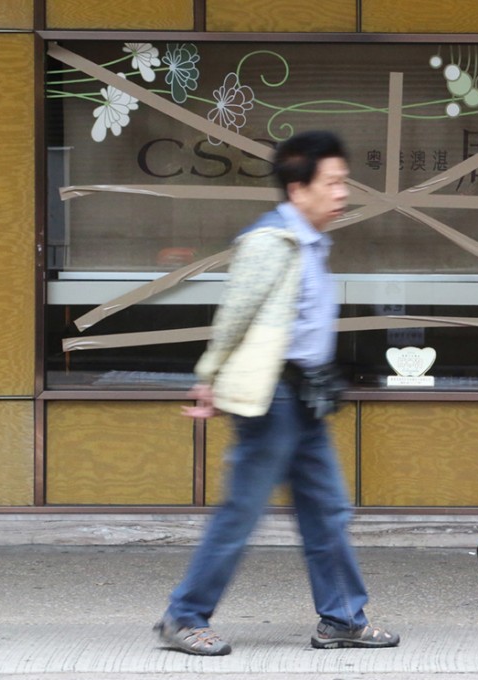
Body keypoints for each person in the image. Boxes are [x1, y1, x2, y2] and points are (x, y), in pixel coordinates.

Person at [154, 130, 399, 656]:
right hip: (272, 400)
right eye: (332, 183)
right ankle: (183, 616)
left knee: (326, 510)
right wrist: (209, 375)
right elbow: (234, 315)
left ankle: (341, 619)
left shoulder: (311, 242)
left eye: (343, 182)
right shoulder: (270, 243)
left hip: (303, 398)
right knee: (242, 511)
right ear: (296, 189)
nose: (342, 193)